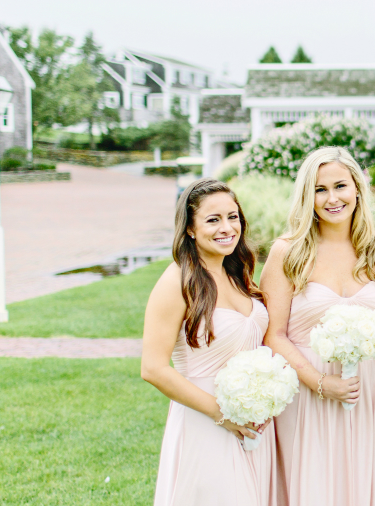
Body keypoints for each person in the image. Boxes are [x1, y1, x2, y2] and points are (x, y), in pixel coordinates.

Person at [261, 146, 375, 506]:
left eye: (340, 186)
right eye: (320, 189)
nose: (332, 198)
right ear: (308, 196)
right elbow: (274, 335)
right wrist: (320, 383)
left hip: (367, 389)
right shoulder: (288, 251)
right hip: (307, 392)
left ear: (358, 189)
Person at [142, 178, 275, 506]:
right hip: (205, 420)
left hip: (252, 422)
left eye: (233, 217)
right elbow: (154, 368)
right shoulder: (178, 282)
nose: (227, 228)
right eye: (213, 220)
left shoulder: (237, 273)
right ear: (189, 228)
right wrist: (223, 415)